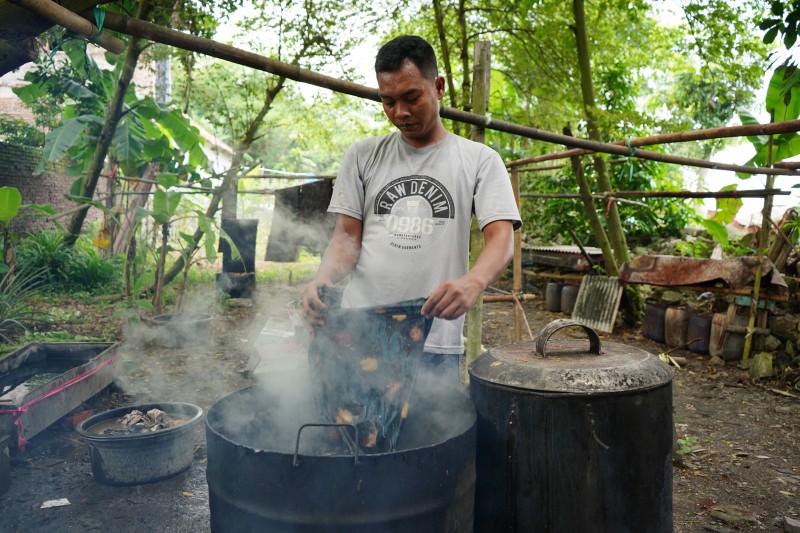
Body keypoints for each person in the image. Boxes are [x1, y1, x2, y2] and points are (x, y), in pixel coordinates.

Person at [302, 35, 521, 388]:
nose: (399, 113)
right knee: (349, 435)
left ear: (438, 87)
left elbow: (501, 238)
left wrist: (474, 281)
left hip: (433, 341)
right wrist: (322, 279)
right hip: (358, 334)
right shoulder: (362, 155)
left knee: (430, 440)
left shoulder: (479, 161)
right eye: (388, 101)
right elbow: (346, 238)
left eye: (411, 98)